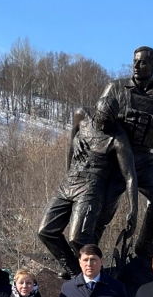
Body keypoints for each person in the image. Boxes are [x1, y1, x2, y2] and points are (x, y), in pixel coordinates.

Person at [37, 95, 138, 279]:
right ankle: (75, 271)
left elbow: (129, 175)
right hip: (69, 182)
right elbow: (71, 145)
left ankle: (89, 277)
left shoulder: (118, 139)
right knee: (45, 231)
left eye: (107, 121)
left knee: (78, 239)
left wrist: (134, 210)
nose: (102, 125)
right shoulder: (81, 115)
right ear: (95, 112)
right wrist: (67, 172)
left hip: (92, 187)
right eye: (99, 119)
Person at [96, 46, 153, 257]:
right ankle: (85, 255)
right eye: (134, 61)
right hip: (115, 157)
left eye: (142, 62)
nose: (135, 65)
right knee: (102, 211)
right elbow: (97, 123)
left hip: (143, 159)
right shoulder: (115, 88)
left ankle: (144, 243)